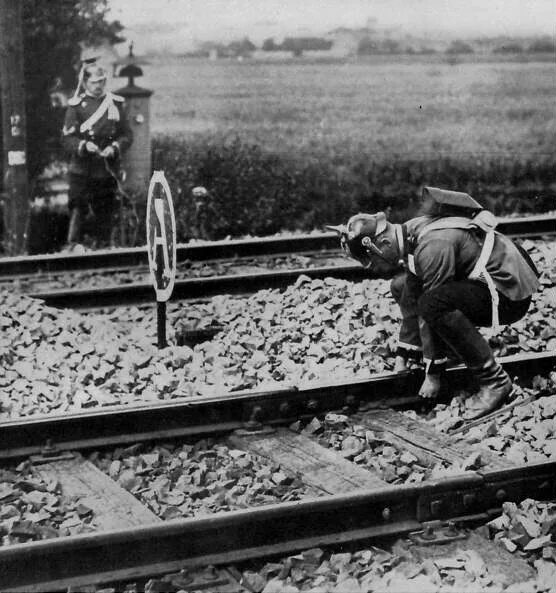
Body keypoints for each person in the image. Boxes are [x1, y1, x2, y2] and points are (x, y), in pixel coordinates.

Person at [328, 187, 540, 420]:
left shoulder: (432, 245)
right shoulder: (408, 232)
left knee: (434, 304)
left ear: (384, 243)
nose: (376, 267)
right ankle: (453, 349)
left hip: (508, 293)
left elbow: (429, 305)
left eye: (373, 260)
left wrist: (433, 373)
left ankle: (494, 380)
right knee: (401, 286)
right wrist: (404, 353)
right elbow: (412, 291)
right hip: (493, 280)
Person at [62, 61, 132, 249]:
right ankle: (73, 247)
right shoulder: (76, 106)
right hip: (82, 169)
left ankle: (104, 249)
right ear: (85, 83)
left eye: (101, 81)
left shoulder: (115, 103)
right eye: (94, 82)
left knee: (105, 212)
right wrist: (84, 145)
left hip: (106, 169)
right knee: (78, 209)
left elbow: (127, 135)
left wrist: (115, 147)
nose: (98, 85)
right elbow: (67, 139)